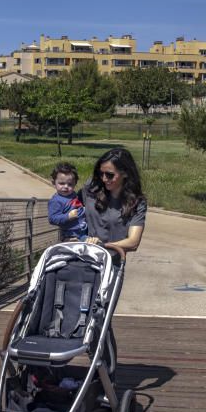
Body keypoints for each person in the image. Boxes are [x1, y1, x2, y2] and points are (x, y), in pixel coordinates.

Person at [80, 148, 147, 380]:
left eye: (110, 175)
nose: (104, 179)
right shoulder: (90, 189)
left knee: (100, 320)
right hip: (83, 260)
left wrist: (105, 245)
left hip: (112, 265)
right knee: (78, 316)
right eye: (101, 174)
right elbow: (69, 205)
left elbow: (134, 241)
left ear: (125, 174)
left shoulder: (136, 203)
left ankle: (106, 374)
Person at [47, 162, 88, 241]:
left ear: (75, 184)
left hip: (82, 231)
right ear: (53, 183)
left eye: (70, 184)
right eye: (61, 183)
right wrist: (68, 216)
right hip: (70, 236)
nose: (66, 187)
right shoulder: (56, 201)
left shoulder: (73, 194)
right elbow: (52, 219)